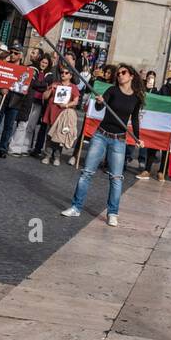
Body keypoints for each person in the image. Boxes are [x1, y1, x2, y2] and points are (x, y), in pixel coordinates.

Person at [62, 64, 144, 226]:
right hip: (101, 135)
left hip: (119, 139)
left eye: (123, 72)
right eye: (118, 73)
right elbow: (100, 107)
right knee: (87, 172)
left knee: (116, 178)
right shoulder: (112, 91)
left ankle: (113, 213)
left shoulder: (136, 98)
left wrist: (137, 138)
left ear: (131, 76)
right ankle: (76, 207)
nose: (120, 75)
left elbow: (134, 119)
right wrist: (100, 101)